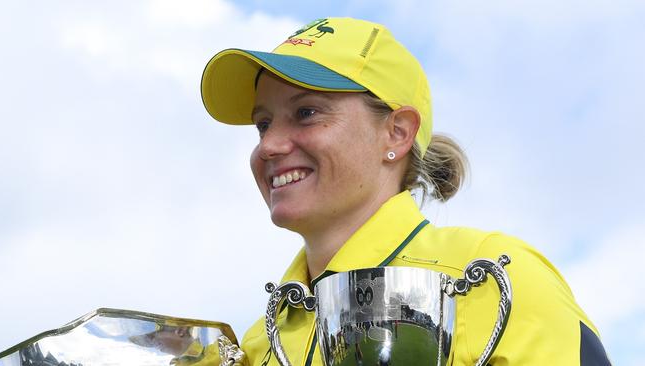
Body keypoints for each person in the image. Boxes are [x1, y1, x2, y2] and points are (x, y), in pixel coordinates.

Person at [200, 17, 611, 365]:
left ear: (396, 132)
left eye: (306, 113)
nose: (269, 146)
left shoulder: (494, 278)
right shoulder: (255, 344)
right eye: (264, 124)